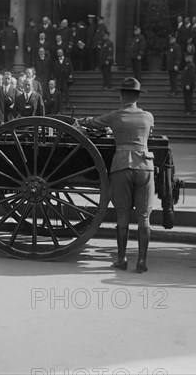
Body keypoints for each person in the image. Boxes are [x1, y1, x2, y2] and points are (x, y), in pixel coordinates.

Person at [77, 77, 154, 273]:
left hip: (121, 166)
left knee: (122, 214)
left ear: (122, 97)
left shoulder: (116, 115)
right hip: (145, 166)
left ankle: (122, 259)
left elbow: (93, 123)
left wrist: (79, 122)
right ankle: (142, 262)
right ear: (137, 96)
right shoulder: (148, 116)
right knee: (144, 215)